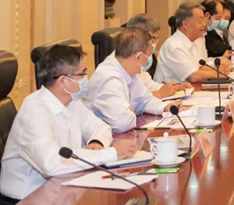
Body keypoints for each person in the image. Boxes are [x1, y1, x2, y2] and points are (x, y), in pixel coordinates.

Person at [0, 45, 137, 202]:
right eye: (83, 73)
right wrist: (111, 154)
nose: (86, 78)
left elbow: (101, 127)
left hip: (63, 188)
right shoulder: (34, 112)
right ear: (64, 81)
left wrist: (96, 142)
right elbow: (52, 164)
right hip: (28, 198)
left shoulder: (72, 101)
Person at [85, 28, 181, 133]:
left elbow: (146, 100)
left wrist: (164, 107)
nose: (148, 61)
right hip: (102, 138)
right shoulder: (109, 78)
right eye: (148, 56)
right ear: (138, 57)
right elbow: (123, 123)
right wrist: (135, 110)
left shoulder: (128, 70)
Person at [155, 3, 231, 84]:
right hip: (174, 91)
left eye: (204, 20)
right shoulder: (174, 46)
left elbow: (200, 68)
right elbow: (193, 76)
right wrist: (218, 73)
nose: (204, 24)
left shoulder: (192, 42)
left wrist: (219, 69)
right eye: (200, 21)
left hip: (189, 89)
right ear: (185, 24)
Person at [125, 13, 191, 98]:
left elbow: (149, 85)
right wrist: (159, 94)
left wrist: (174, 88)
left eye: (156, 39)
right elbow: (129, 101)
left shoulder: (139, 61)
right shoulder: (118, 68)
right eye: (152, 39)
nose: (154, 44)